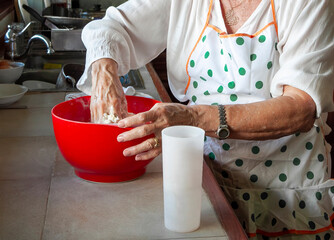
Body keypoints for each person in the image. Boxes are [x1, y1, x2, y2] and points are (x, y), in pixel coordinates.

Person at [77, 0, 334, 239]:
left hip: (287, 189)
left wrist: (193, 117)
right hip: (206, 178)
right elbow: (112, 26)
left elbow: (300, 108)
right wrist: (104, 70)